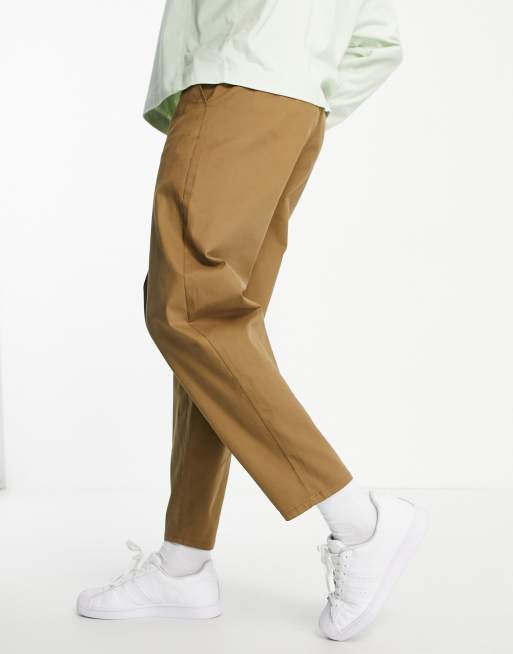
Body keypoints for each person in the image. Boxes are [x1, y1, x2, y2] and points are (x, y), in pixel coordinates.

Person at [76, 0, 427, 641]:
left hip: (235, 81)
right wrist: (298, 95)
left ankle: (359, 523)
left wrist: (245, 90)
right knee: (216, 337)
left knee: (190, 313)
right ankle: (183, 564)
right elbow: (378, 39)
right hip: (294, 107)